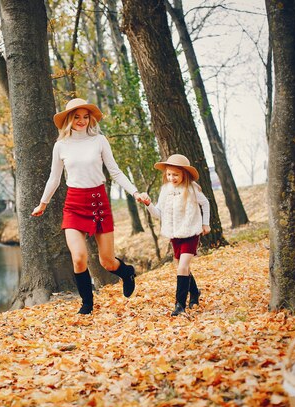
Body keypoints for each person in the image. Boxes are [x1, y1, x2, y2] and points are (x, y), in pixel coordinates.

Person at [31, 98, 150, 315]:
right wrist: (43, 203)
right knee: (78, 258)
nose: (81, 121)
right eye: (76, 116)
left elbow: (115, 171)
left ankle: (127, 272)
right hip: (74, 204)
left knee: (107, 262)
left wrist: (135, 192)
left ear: (91, 118)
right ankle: (87, 304)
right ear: (68, 119)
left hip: (98, 202)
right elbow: (54, 178)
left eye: (86, 117)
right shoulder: (61, 146)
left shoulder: (99, 141)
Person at [143, 154, 210, 316]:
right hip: (175, 235)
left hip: (191, 232)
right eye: (169, 174)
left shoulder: (192, 189)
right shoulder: (165, 190)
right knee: (182, 267)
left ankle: (180, 305)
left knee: (182, 267)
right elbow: (159, 214)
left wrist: (205, 223)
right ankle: (195, 293)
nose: (172, 178)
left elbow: (205, 203)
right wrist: (148, 204)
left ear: (184, 174)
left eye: (176, 174)